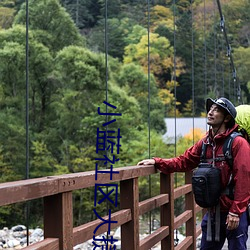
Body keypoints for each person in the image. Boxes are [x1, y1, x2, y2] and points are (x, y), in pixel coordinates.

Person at [137, 97, 250, 250]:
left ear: (227, 118)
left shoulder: (238, 143)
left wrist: (236, 212)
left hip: (233, 211)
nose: (210, 112)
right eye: (210, 109)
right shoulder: (205, 143)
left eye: (216, 110)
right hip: (213, 211)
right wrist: (157, 162)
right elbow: (184, 161)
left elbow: (244, 178)